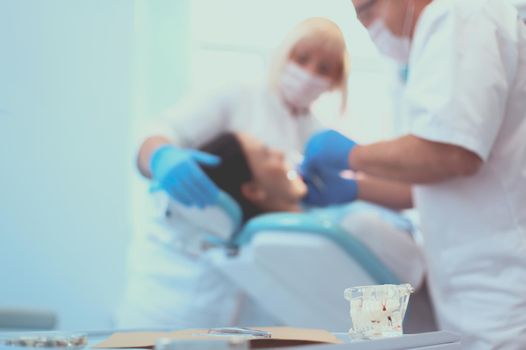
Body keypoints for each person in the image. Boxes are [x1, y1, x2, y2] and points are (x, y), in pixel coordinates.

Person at [301, 0, 526, 348]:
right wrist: (353, 190)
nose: (367, 27)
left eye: (369, 11)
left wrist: (352, 155)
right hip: (480, 291)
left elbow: (451, 153)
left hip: (501, 291)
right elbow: (435, 180)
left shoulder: (459, 13)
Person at [117, 17, 351, 328]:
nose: (309, 74)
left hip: (253, 298)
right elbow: (158, 133)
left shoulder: (317, 137)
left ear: (336, 81)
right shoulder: (237, 96)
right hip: (175, 285)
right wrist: (161, 155)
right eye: (302, 58)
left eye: (324, 69)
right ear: (283, 54)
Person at [117, 132, 426, 328]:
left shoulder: (261, 244)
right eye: (267, 153)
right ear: (253, 191)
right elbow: (420, 286)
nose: (281, 155)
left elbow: (375, 326)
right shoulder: (348, 227)